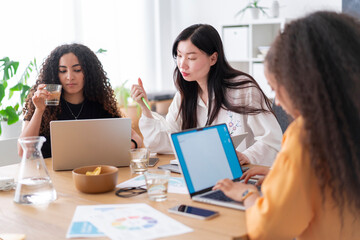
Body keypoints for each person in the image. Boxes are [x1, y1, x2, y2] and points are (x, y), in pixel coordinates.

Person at [214, 11, 360, 239]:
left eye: (275, 88)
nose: (278, 102)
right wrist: (277, 174)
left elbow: (269, 230)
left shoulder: (307, 135)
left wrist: (247, 194)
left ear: (304, 83)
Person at [131, 24, 282, 166]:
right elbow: (168, 142)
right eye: (179, 55)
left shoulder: (244, 89)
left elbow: (272, 141)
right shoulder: (185, 94)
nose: (182, 64)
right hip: (203, 173)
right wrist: (145, 109)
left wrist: (247, 156)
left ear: (213, 58)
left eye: (191, 58)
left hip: (242, 175)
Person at [19, 43, 143, 158]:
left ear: (88, 73)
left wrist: (127, 147)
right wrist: (39, 111)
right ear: (56, 74)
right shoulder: (42, 103)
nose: (69, 77)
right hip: (50, 176)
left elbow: (135, 137)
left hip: (90, 174)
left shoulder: (99, 105)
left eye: (77, 70)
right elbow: (23, 151)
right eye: (62, 71)